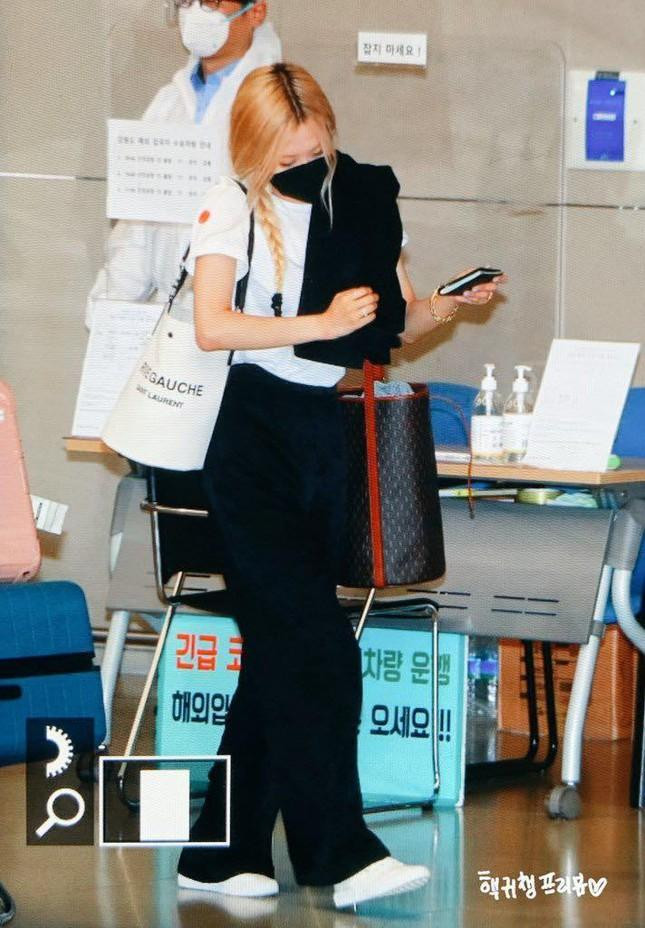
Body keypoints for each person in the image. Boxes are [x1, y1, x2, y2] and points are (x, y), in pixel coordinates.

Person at [176, 62, 507, 909]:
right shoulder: (230, 204)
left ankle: (217, 853)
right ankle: (339, 852)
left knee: (279, 655)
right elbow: (213, 325)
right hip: (248, 438)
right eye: (284, 149)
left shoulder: (356, 200)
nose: (303, 159)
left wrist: (448, 303)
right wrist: (317, 323)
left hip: (324, 435)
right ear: (253, 145)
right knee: (318, 648)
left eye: (313, 142)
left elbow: (392, 324)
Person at [84, 0, 280, 330]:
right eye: (187, 1)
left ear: (256, 11)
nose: (195, 12)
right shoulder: (169, 101)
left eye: (211, 2)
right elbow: (137, 224)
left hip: (241, 321)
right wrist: (109, 311)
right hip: (170, 317)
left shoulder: (278, 103)